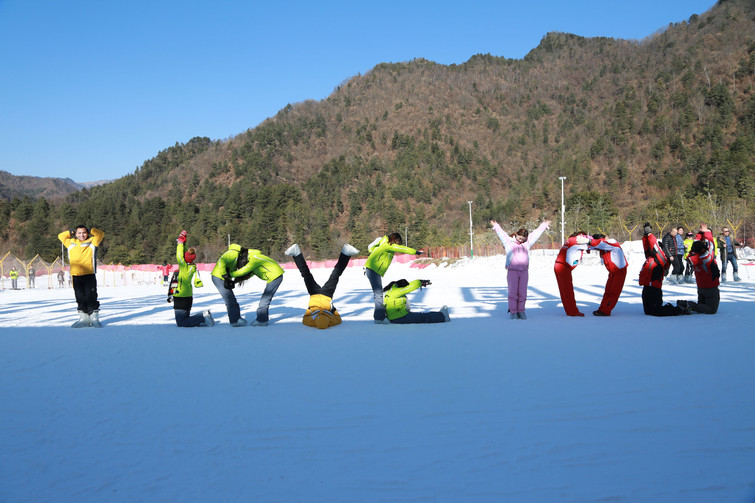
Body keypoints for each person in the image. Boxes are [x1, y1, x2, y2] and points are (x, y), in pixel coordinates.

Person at [285, 243, 359, 329]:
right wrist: (310, 309)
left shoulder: (331, 320)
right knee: (306, 274)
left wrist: (333, 309)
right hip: (315, 294)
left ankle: (346, 253)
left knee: (335, 274)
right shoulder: (311, 320)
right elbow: (305, 317)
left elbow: (338, 318)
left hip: (326, 295)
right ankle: (296, 253)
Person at [490, 218, 551, 319]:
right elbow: (502, 234)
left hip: (524, 272)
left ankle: (521, 311)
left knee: (522, 292)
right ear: (516, 235)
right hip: (512, 271)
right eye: (520, 237)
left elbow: (536, 234)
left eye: (523, 239)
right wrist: (496, 226)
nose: (521, 240)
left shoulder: (527, 243)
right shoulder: (509, 242)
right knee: (513, 292)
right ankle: (513, 311)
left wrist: (544, 225)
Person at [211, 244, 284, 326]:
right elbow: (248, 274)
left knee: (264, 299)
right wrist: (229, 278)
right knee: (230, 299)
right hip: (219, 277)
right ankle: (236, 320)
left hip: (275, 277)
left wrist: (229, 275)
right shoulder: (234, 253)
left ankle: (261, 320)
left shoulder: (254, 259)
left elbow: (245, 271)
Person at [365, 232, 422, 323]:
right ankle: (379, 318)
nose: (398, 244)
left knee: (378, 293)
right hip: (372, 269)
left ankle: (379, 316)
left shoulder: (385, 245)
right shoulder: (387, 245)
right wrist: (415, 252)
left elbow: (371, 249)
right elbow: (402, 248)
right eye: (398, 241)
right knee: (378, 294)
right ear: (394, 239)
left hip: (373, 270)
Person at [58, 225, 105, 327]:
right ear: (76, 234)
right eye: (79, 233)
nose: (81, 235)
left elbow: (100, 234)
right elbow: (61, 236)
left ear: (87, 233)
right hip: (76, 275)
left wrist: (91, 230)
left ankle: (94, 318)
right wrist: (71, 232)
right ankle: (83, 318)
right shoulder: (71, 243)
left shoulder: (92, 242)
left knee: (91, 296)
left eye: (84, 232)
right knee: (79, 296)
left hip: (89, 274)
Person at [639, 223, 688, 316]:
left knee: (656, 311)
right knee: (648, 312)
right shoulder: (651, 256)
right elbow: (647, 247)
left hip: (654, 287)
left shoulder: (662, 257)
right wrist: (645, 235)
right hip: (647, 286)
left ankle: (680, 310)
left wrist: (649, 233)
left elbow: (654, 246)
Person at [172, 231, 213, 327]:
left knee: (181, 322)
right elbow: (185, 255)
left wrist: (180, 243)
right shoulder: (192, 266)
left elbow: (179, 255)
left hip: (181, 296)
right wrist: (184, 242)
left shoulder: (184, 267)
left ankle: (203, 317)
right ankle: (203, 316)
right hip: (188, 295)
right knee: (186, 318)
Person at [678, 223, 720, 314]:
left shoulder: (691, 257)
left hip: (701, 286)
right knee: (712, 310)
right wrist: (707, 232)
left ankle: (691, 306)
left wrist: (700, 233)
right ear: (702, 250)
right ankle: (690, 305)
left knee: (702, 307)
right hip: (710, 287)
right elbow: (711, 244)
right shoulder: (706, 257)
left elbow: (695, 245)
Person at [553, 231, 591, 316]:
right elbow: (593, 245)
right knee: (568, 290)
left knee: (564, 291)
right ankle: (572, 311)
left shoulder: (570, 240)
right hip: (563, 267)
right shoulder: (577, 241)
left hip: (559, 265)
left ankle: (569, 310)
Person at [589, 234, 628, 316]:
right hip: (613, 272)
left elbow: (598, 244)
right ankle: (602, 309)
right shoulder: (605, 246)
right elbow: (593, 246)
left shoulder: (611, 244)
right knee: (607, 291)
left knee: (613, 292)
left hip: (619, 271)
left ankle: (605, 311)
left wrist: (589, 241)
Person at [383, 279, 450, 324]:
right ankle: (443, 317)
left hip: (396, 317)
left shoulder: (390, 291)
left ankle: (440, 314)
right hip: (400, 317)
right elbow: (410, 287)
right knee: (423, 317)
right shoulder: (396, 291)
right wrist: (420, 282)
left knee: (422, 315)